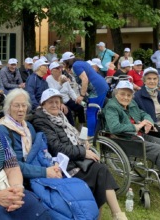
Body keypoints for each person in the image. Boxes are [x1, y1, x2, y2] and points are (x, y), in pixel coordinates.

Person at [0, 89, 99, 219]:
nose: (21, 109)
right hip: (21, 179)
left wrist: (52, 163)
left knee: (76, 188)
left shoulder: (27, 126)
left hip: (38, 171)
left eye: (23, 105)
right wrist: (45, 171)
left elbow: (40, 152)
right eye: (16, 105)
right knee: (61, 201)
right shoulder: (2, 130)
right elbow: (13, 166)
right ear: (8, 107)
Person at [31, 88, 127, 220]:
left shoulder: (60, 116)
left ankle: (115, 214)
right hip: (62, 165)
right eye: (50, 102)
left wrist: (82, 143)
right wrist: (83, 152)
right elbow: (56, 148)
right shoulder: (41, 121)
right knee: (100, 171)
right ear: (43, 104)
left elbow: (70, 138)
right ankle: (116, 215)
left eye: (57, 102)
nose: (54, 105)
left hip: (73, 159)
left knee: (100, 171)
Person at [62, 52, 109, 137]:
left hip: (96, 88)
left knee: (91, 112)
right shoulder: (81, 63)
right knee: (96, 112)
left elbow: (85, 79)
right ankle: (96, 134)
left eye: (64, 63)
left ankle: (90, 136)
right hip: (102, 85)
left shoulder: (76, 65)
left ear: (67, 61)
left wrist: (82, 95)